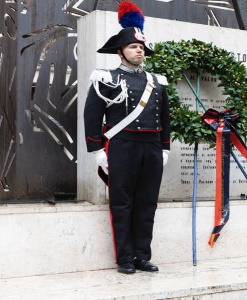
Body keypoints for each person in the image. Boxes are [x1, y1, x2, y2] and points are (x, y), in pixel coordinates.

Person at [83, 1, 170, 274]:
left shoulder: (157, 81)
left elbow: (165, 118)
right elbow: (92, 116)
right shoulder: (105, 78)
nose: (139, 51)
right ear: (120, 52)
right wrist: (98, 150)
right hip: (121, 147)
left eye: (141, 47)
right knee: (122, 204)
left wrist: (164, 148)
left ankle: (142, 256)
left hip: (152, 148)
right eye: (133, 47)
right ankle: (124, 259)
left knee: (147, 203)